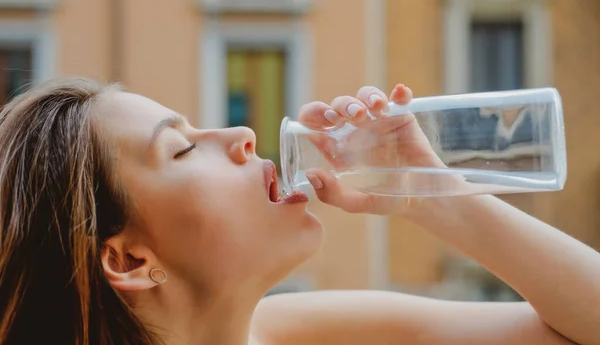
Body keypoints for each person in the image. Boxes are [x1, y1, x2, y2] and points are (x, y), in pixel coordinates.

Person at [0, 77, 597, 345]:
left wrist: (432, 198)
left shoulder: (300, 332)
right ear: (129, 258)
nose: (239, 133)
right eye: (181, 148)